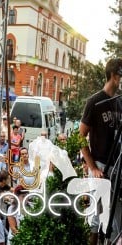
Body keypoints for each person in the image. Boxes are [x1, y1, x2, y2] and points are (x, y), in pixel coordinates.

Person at [80, 58, 122, 243]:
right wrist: (93, 168)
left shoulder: (119, 102)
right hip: (100, 165)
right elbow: (79, 137)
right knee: (97, 218)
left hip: (117, 166)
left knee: (116, 218)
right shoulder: (95, 102)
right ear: (114, 76)